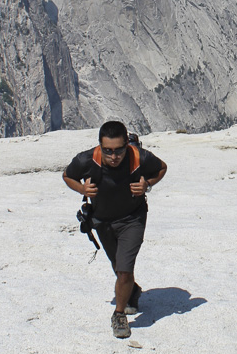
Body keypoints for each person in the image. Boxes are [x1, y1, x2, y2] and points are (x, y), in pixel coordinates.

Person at [62, 121, 167, 339]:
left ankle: (119, 315)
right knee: (118, 265)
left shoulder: (139, 157)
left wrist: (147, 184)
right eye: (107, 150)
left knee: (124, 269)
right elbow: (67, 175)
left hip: (132, 218)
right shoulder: (87, 160)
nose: (113, 156)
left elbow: (161, 168)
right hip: (102, 222)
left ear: (126, 145)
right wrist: (82, 188)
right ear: (99, 146)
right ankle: (133, 291)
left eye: (119, 150)